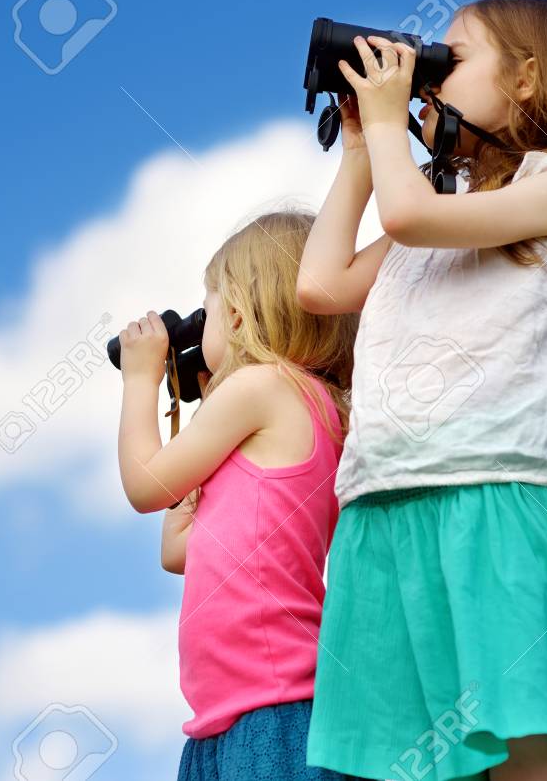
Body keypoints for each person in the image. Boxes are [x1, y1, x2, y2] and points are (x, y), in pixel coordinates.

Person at [297, 0, 547, 780]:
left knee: (519, 742)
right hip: (385, 498)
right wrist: (362, 146)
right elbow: (321, 284)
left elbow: (411, 213)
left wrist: (393, 128)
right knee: (407, 762)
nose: (427, 72)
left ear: (528, 79)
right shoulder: (433, 213)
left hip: (495, 490)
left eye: (450, 59)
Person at [116, 209, 363, 781]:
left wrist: (139, 381)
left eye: (207, 309)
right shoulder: (312, 406)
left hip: (270, 710)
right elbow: (179, 550)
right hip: (235, 713)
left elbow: (145, 485)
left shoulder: (262, 387)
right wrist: (202, 422)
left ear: (236, 312)